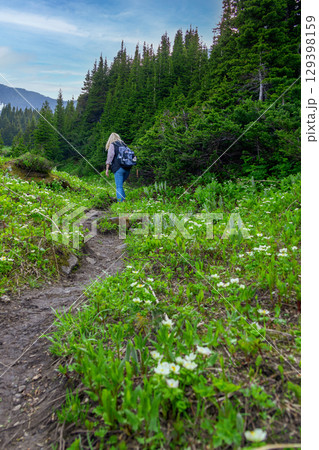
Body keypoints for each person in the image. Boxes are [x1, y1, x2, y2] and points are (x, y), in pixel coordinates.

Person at [105, 133, 131, 202]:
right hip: (127, 168)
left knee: (119, 186)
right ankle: (124, 200)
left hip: (118, 168)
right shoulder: (124, 144)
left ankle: (120, 203)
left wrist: (107, 168)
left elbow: (110, 157)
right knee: (120, 185)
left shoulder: (113, 145)